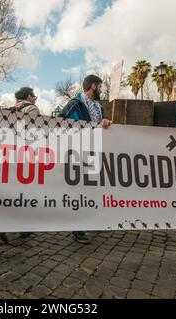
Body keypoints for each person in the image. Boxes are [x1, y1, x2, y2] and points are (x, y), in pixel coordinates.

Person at [60, 75, 112, 244]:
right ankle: (78, 228)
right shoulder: (75, 104)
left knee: (92, 189)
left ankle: (89, 220)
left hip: (94, 152)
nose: (102, 90)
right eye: (100, 86)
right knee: (80, 190)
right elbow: (60, 122)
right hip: (77, 152)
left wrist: (105, 122)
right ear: (93, 86)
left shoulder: (99, 107)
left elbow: (99, 125)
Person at [0, 87, 40, 244]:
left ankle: (3, 220)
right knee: (26, 192)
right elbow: (32, 130)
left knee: (12, 190)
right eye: (34, 96)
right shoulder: (32, 108)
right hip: (25, 153)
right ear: (29, 97)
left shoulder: (11, 109)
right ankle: (24, 227)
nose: (35, 99)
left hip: (8, 152)